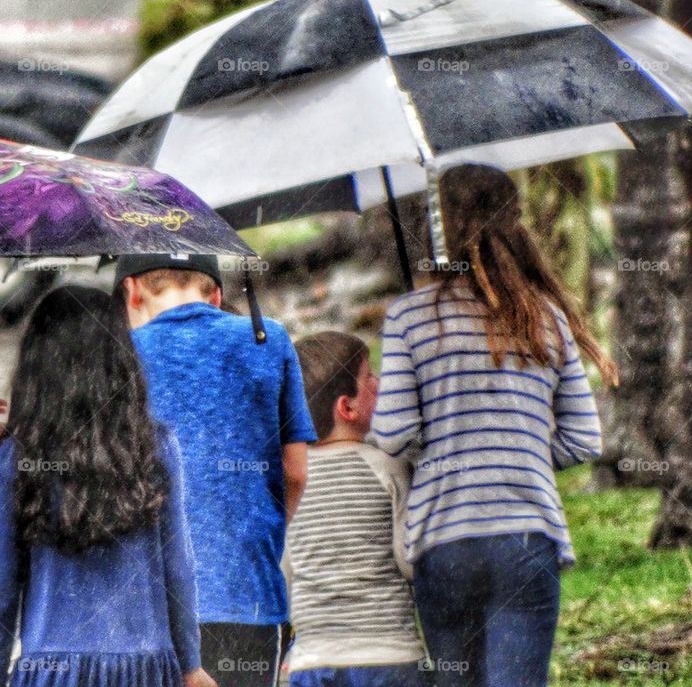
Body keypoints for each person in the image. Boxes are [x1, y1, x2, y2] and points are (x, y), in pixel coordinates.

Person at [370, 164, 619, 687]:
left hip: (443, 539)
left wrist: (447, 446)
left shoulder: (409, 318)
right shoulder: (547, 317)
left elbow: (391, 434)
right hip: (528, 534)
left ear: (444, 224)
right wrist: (516, 447)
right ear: (517, 220)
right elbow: (583, 438)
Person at [0, 286, 215, 687]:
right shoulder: (155, 448)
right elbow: (179, 568)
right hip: (142, 668)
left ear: (36, 367)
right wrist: (190, 664)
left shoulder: (16, 458)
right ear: (121, 362)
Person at [115, 254, 317, 687]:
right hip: (248, 597)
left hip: (148, 610)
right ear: (217, 294)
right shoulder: (269, 340)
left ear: (132, 291)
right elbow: (295, 471)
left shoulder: (119, 354)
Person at [288, 331, 429, 687]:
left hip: (313, 661)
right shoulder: (387, 465)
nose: (380, 385)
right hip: (388, 657)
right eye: (370, 378)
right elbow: (409, 562)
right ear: (347, 408)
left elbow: (284, 572)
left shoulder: (291, 475)